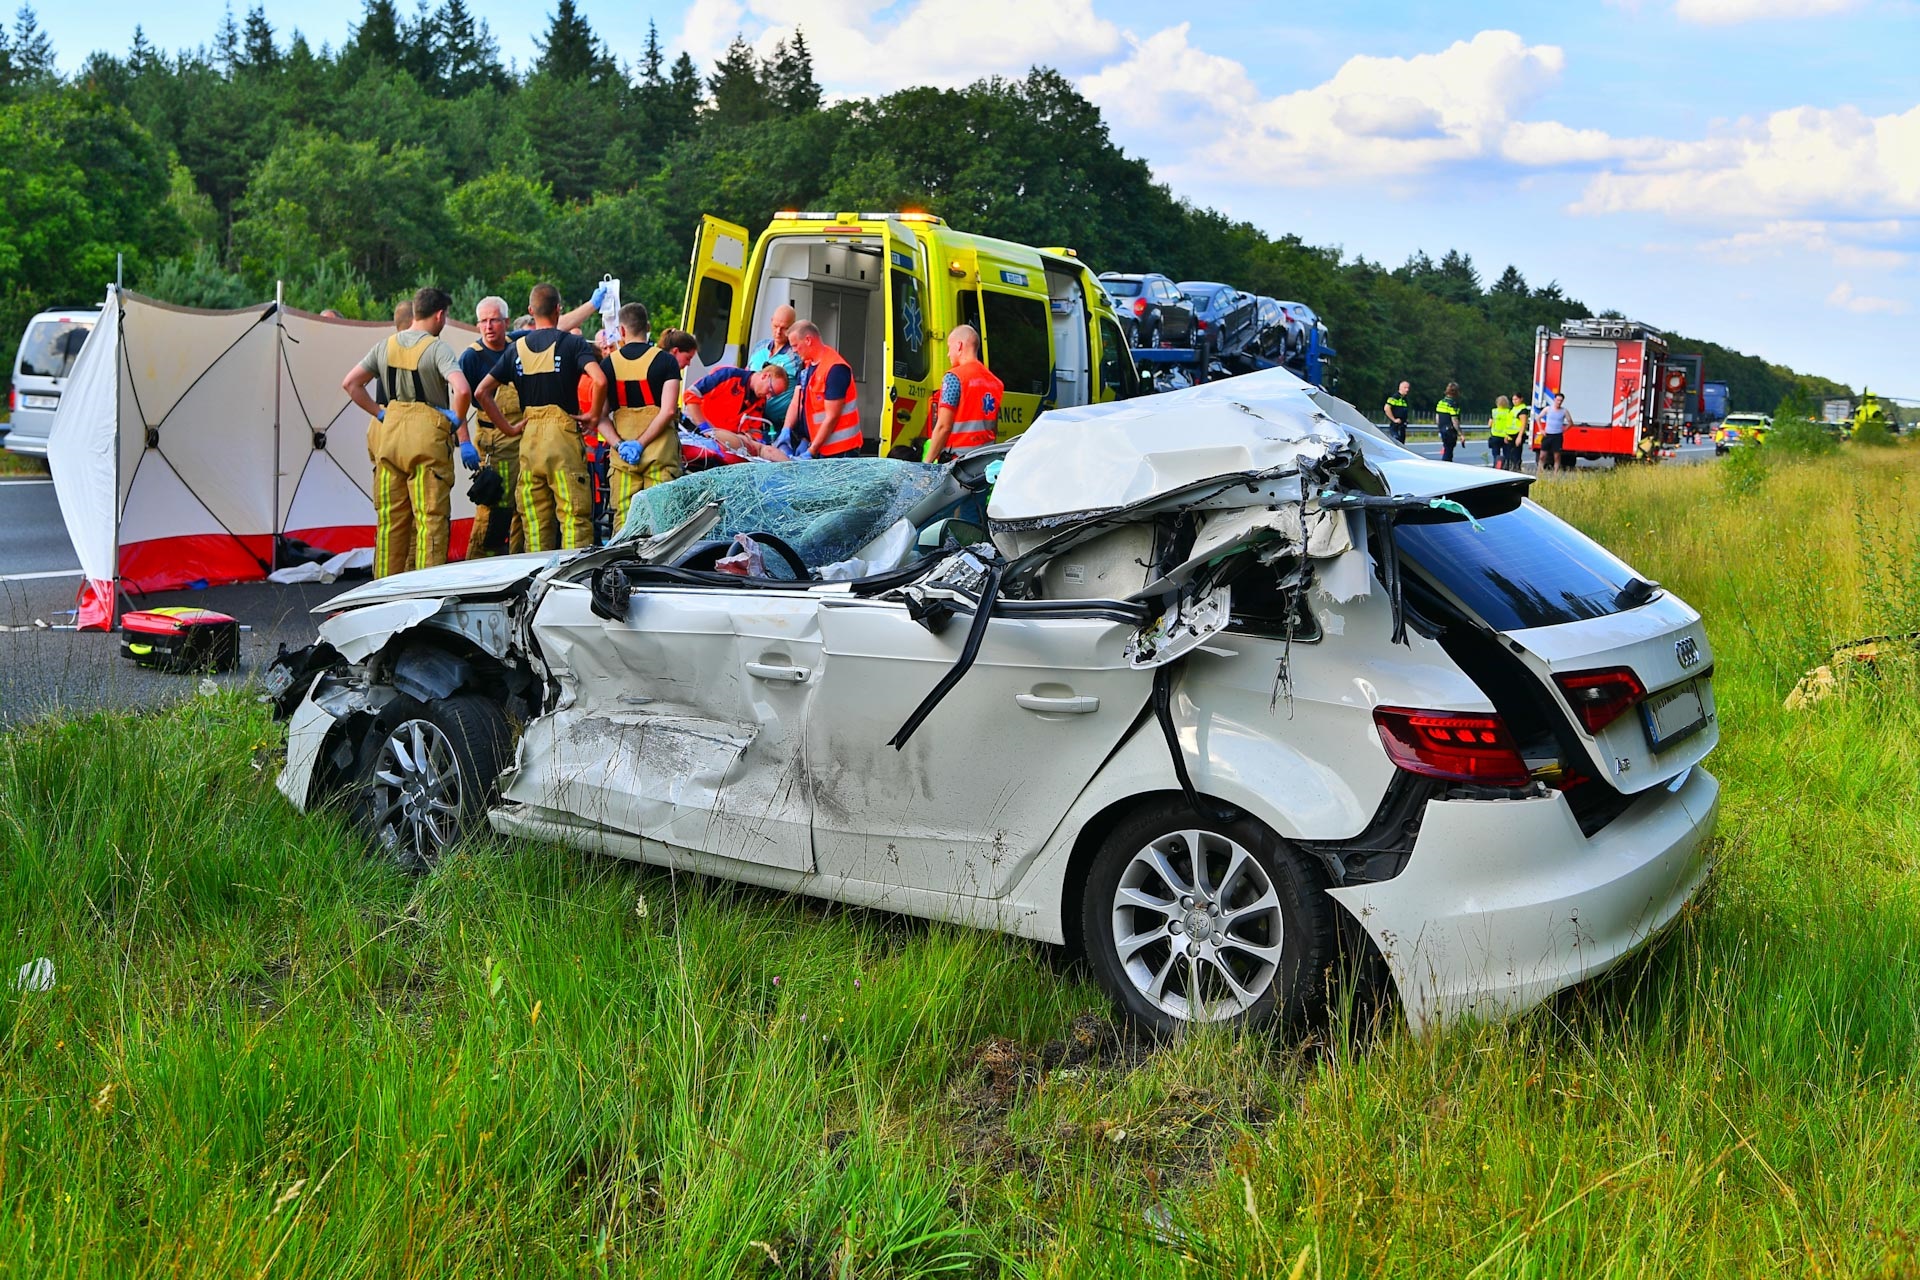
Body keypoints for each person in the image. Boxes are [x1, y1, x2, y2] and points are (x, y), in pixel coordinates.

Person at [341, 286, 475, 578]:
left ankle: (382, 591)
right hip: (426, 438)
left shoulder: (384, 346)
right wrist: (456, 419)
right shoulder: (437, 347)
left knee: (391, 522)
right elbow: (462, 389)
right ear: (439, 315)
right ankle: (427, 590)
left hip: (388, 437)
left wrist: (380, 413)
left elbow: (351, 384)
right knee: (430, 521)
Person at [475, 283, 607, 552]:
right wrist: (593, 415)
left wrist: (509, 429)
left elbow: (481, 392)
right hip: (563, 441)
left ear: (530, 311)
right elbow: (600, 380)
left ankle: (538, 584)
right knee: (573, 518)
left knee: (534, 522)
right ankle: (572, 578)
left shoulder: (516, 349)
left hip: (530, 441)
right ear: (559, 309)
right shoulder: (573, 343)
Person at [603, 319, 696, 530]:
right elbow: (669, 410)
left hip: (623, 460)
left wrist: (619, 445)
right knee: (660, 523)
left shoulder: (608, 364)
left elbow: (599, 417)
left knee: (625, 525)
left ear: (622, 330)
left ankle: (623, 563)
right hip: (660, 456)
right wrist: (642, 443)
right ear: (648, 327)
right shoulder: (667, 362)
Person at [461, 296, 525, 558]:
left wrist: (592, 304)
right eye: (483, 321)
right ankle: (478, 568)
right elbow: (459, 407)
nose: (488, 326)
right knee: (493, 513)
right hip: (493, 446)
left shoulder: (519, 344)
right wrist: (464, 442)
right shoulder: (471, 358)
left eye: (494, 320)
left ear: (506, 322)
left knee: (522, 507)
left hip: (523, 440)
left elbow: (554, 326)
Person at [781, 320, 862, 457]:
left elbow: (832, 416)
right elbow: (797, 402)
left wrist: (811, 451)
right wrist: (787, 429)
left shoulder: (835, 369)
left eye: (795, 346)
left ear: (808, 340)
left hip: (840, 452)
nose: (793, 350)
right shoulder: (806, 366)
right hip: (818, 446)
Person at [924, 325, 1003, 461]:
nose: (948, 354)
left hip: (958, 461)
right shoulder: (995, 383)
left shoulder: (954, 377)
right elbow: (993, 428)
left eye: (949, 347)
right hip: (983, 462)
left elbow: (944, 427)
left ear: (959, 346)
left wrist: (927, 463)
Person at [681, 363, 791, 459]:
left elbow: (754, 428)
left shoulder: (759, 401)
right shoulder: (728, 376)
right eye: (770, 390)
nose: (768, 397)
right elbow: (691, 394)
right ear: (765, 376)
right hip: (696, 432)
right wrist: (704, 427)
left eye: (773, 395)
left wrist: (753, 439)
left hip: (722, 444)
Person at [746, 304, 802, 435]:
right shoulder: (759, 347)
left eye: (784, 328)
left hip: (780, 426)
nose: (778, 332)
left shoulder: (797, 356)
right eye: (776, 326)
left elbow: (803, 395)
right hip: (752, 420)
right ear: (771, 321)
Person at [1540, 392, 1571, 473]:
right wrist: (1541, 429)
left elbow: (1570, 422)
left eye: (1561, 400)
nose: (1559, 402)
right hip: (1547, 434)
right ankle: (1540, 471)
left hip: (1557, 436)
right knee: (1542, 455)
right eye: (1557, 400)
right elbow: (1538, 418)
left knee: (1556, 456)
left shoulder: (1564, 411)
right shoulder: (1548, 409)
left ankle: (1555, 473)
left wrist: (1564, 430)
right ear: (1554, 400)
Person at [1487, 395, 1518, 470]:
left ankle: (1496, 465)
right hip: (1506, 436)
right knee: (1507, 454)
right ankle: (1506, 467)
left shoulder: (1494, 412)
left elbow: (1489, 424)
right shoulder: (1509, 412)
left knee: (1495, 454)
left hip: (1495, 435)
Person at [1435, 383, 1462, 462]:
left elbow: (1437, 417)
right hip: (1450, 431)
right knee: (1449, 451)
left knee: (1446, 448)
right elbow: (1455, 420)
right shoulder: (1453, 404)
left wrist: (1439, 428)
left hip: (1442, 429)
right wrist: (1460, 433)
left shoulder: (1441, 402)